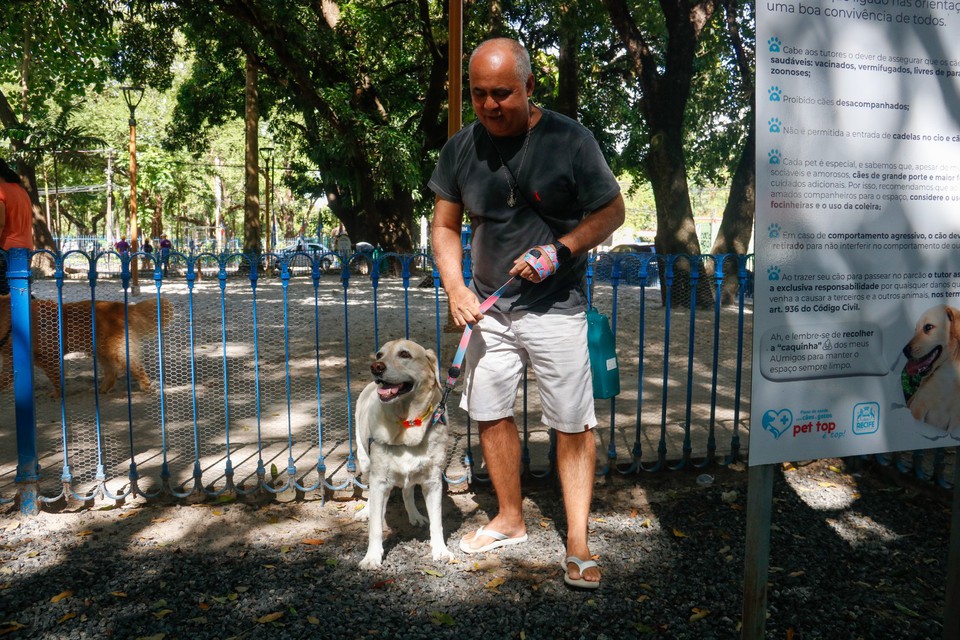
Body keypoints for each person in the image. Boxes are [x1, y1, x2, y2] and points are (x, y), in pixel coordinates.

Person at [429, 38, 625, 589]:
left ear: (529, 87)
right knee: (489, 412)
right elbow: (444, 226)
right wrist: (455, 286)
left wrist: (561, 250)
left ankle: (579, 540)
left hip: (557, 307)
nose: (490, 105)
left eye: (502, 94)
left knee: (571, 420)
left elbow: (613, 209)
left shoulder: (569, 139)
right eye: (479, 94)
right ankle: (510, 518)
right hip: (488, 309)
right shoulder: (461, 149)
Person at [0, 157, 35, 295]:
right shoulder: (20, 190)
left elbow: (0, 224)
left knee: (5, 296)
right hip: (25, 248)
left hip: (5, 250)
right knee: (19, 292)